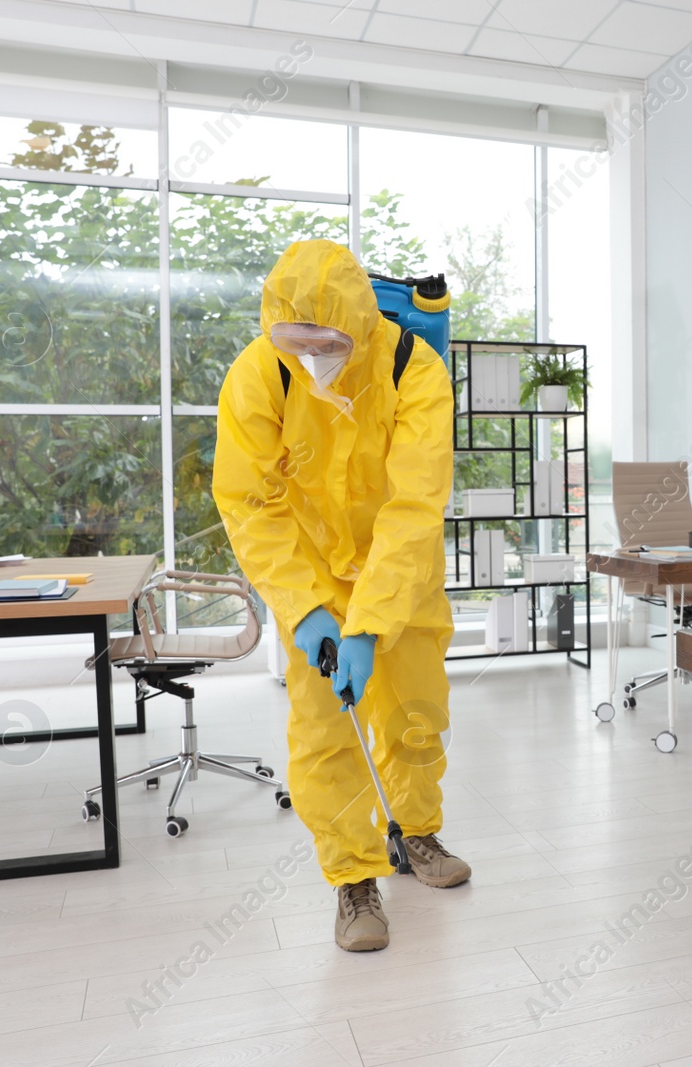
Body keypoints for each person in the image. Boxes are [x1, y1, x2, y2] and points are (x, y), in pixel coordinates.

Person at [213, 239, 467, 953]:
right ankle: (353, 880)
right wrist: (307, 607)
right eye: (298, 341)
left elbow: (415, 505)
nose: (313, 355)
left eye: (328, 342)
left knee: (416, 712)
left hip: (401, 572)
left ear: (358, 322)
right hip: (314, 575)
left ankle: (416, 833)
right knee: (327, 734)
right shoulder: (260, 375)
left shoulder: (412, 368)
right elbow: (248, 502)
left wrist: (372, 621)